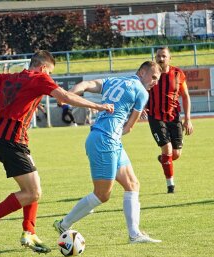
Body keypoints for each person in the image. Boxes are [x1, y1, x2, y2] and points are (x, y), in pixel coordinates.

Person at [0, 50, 114, 253]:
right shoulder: (39, 78)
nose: (50, 77)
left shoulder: (11, 77)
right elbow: (64, 96)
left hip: (8, 138)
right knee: (32, 192)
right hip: (11, 141)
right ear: (44, 68)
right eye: (50, 72)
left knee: (34, 188)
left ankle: (29, 232)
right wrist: (98, 106)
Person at [53, 61, 163, 244]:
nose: (154, 82)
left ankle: (134, 234)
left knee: (132, 184)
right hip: (107, 140)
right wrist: (122, 124)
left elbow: (86, 85)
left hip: (106, 139)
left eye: (157, 80)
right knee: (102, 195)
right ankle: (63, 224)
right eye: (153, 77)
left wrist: (67, 95)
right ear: (142, 72)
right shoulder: (142, 93)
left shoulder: (114, 81)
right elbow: (129, 127)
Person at [146, 47, 193, 194]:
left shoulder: (178, 74)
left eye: (163, 56)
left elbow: (185, 96)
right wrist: (140, 108)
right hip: (155, 117)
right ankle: (170, 185)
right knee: (167, 149)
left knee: (176, 154)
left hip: (174, 117)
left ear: (169, 58)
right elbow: (140, 91)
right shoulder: (150, 75)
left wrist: (188, 119)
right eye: (158, 56)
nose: (160, 59)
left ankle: (164, 159)